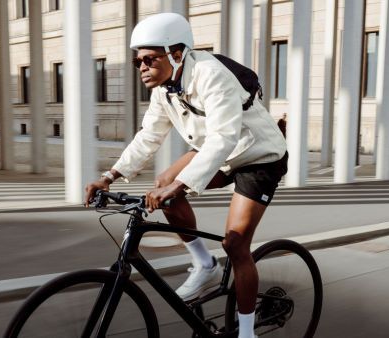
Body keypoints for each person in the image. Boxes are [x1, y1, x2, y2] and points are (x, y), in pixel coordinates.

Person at [84, 13, 287, 338]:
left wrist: (182, 184)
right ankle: (205, 265)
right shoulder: (164, 90)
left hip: (258, 156)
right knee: (163, 184)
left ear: (176, 53)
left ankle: (247, 333)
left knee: (235, 244)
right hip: (217, 153)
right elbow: (148, 136)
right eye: (138, 62)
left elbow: (224, 136)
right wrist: (108, 176)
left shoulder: (210, 74)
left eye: (149, 59)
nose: (142, 68)